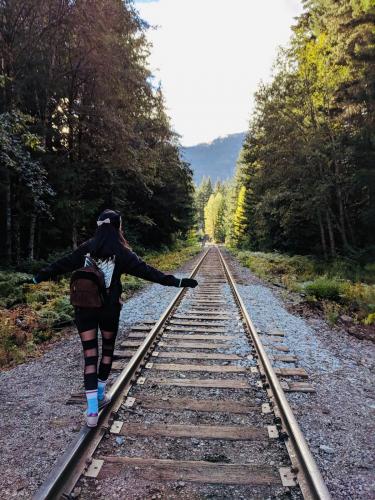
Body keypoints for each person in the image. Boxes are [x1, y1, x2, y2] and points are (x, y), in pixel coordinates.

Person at [32, 209, 198, 427]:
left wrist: (36, 278)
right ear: (118, 227)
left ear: (99, 226)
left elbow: (60, 265)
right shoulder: (122, 252)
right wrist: (178, 282)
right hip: (109, 310)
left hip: (84, 309)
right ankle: (101, 394)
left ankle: (92, 411)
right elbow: (148, 272)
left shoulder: (86, 248)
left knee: (90, 355)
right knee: (107, 350)